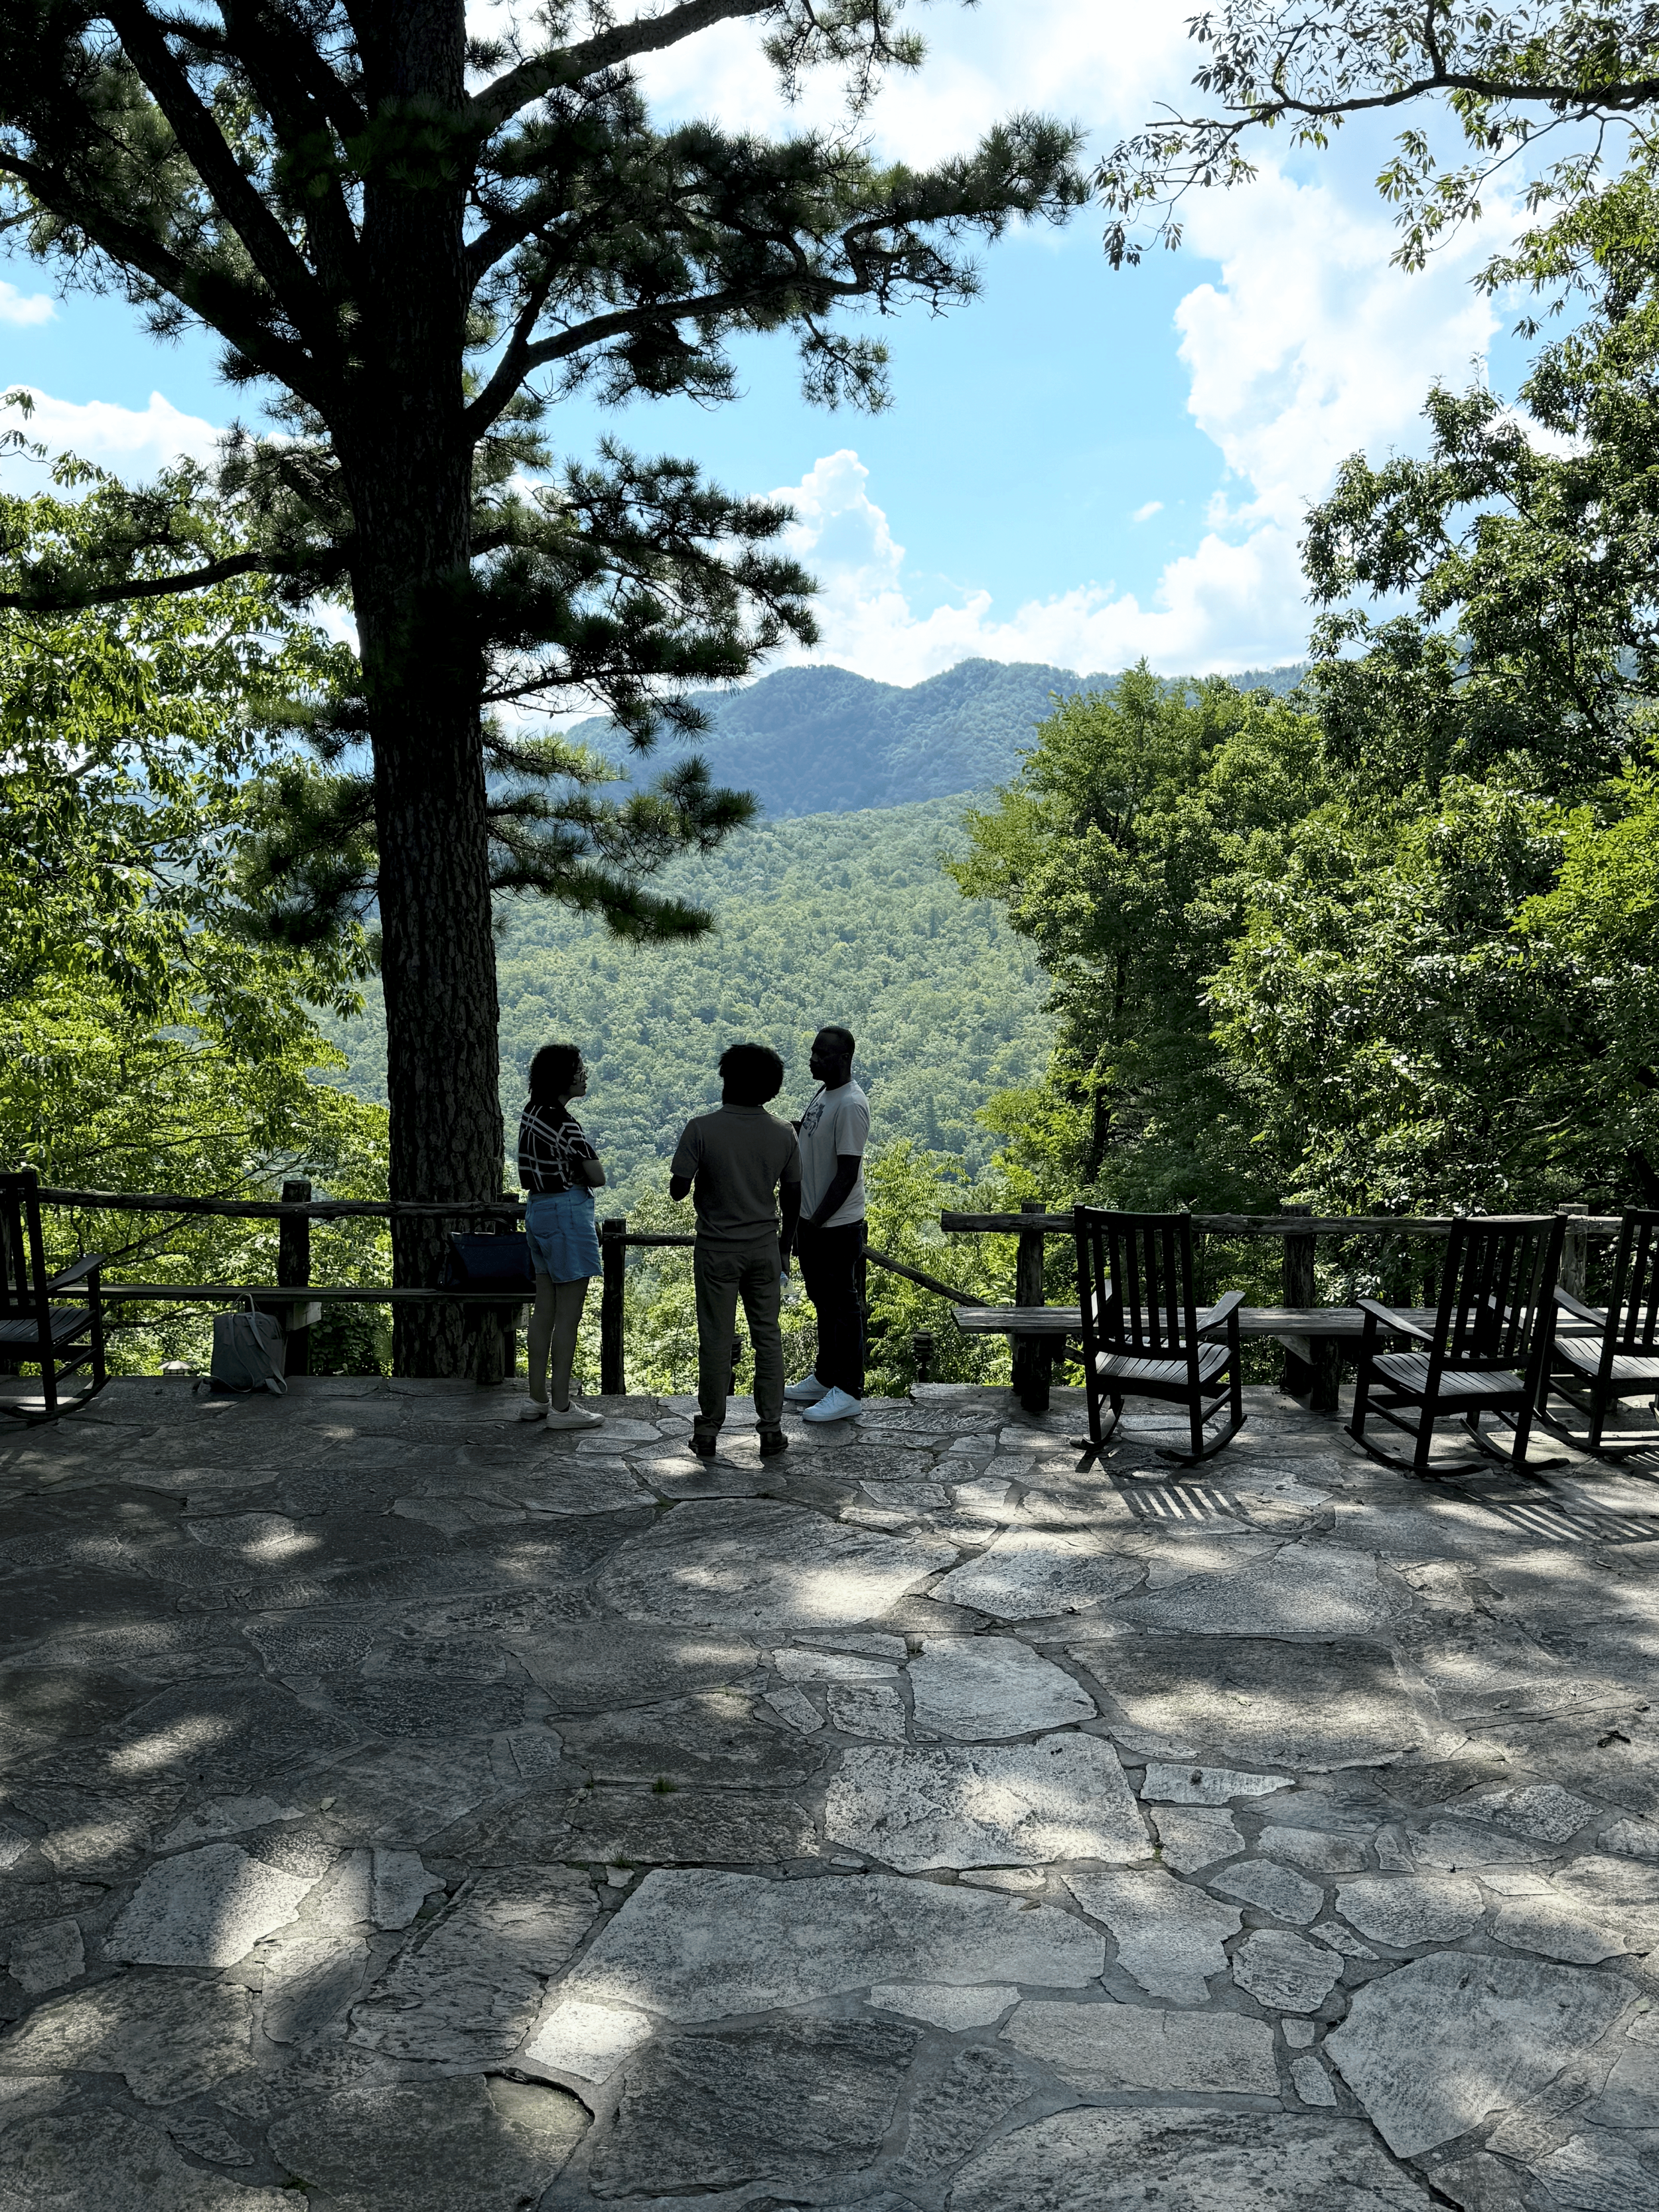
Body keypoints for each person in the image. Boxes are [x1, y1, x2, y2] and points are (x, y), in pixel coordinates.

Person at [670, 1042, 802, 1459]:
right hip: (765, 1249)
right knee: (768, 1338)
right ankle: (772, 1430)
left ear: (726, 1079)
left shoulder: (701, 1129)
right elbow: (793, 1196)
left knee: (715, 1340)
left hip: (716, 1250)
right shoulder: (784, 1133)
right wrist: (785, 1248)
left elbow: (677, 1190)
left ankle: (709, 1430)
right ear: (771, 1088)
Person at [517, 1043, 607, 1431]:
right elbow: (598, 1176)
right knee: (569, 1316)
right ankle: (563, 1408)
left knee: (544, 1311)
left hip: (537, 1211)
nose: (584, 1076)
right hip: (567, 1213)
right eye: (578, 1070)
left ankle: (537, 1400)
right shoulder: (565, 1123)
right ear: (562, 1077)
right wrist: (578, 1173)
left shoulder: (531, 1113)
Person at [784, 1025, 869, 1424]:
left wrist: (815, 1223)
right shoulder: (824, 1094)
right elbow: (812, 1141)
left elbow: (847, 1174)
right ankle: (825, 1377)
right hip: (814, 1223)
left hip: (836, 1226)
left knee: (843, 1307)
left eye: (822, 1054)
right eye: (813, 1052)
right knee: (824, 1303)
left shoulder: (851, 1103)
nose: (813, 1059)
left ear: (844, 1058)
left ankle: (849, 1390)